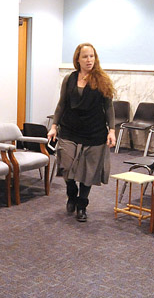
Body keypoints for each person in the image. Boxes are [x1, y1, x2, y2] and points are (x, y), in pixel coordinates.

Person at [47, 43, 116, 222]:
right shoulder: (69, 79)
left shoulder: (102, 80)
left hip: (94, 132)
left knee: (88, 172)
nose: (89, 60)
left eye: (92, 56)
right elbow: (62, 104)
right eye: (85, 56)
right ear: (77, 58)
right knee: (66, 166)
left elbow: (108, 108)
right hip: (69, 129)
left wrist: (112, 130)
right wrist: (54, 126)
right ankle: (72, 193)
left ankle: (82, 205)